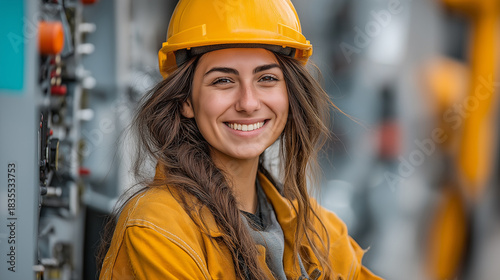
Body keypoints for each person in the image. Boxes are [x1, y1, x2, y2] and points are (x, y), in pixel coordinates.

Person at [98, 0, 382, 279]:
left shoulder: (318, 233)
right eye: (223, 80)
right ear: (186, 99)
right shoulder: (158, 230)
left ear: (290, 93)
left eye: (267, 78)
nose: (248, 103)